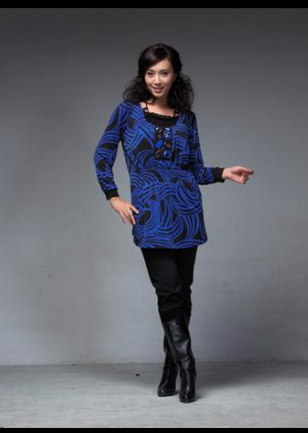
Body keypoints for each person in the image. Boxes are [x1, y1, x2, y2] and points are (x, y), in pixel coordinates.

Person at [93, 43, 254, 403]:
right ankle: (188, 366)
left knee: (182, 292)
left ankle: (170, 372)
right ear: (142, 76)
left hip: (186, 215)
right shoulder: (126, 113)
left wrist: (223, 172)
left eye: (163, 73)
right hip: (151, 217)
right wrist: (113, 197)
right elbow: (102, 154)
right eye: (150, 73)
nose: (157, 80)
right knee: (168, 291)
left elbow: (194, 170)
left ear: (175, 75)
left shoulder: (186, 118)